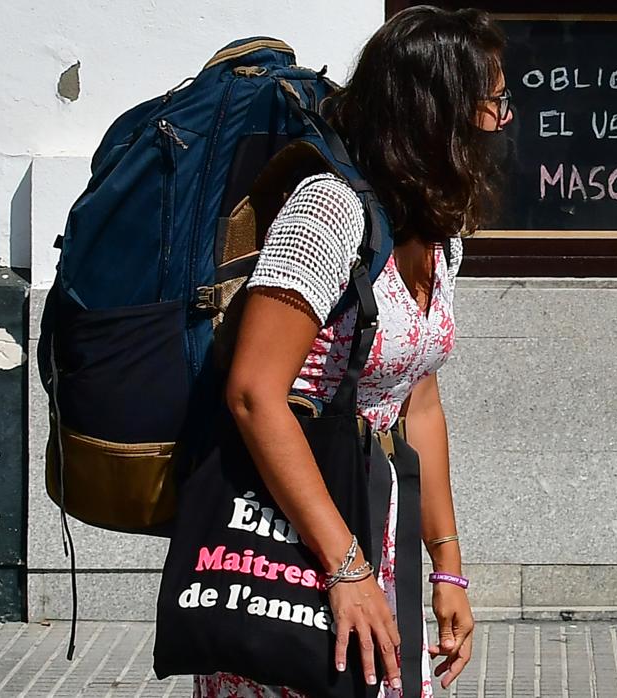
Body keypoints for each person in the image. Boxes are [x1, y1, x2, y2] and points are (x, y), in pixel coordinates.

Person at [193, 7, 512, 697]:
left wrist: (448, 570)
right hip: (291, 543)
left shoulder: (436, 230)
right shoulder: (326, 212)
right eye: (492, 102)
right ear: (438, 112)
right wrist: (345, 571)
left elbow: (417, 400)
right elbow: (253, 393)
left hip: (374, 531)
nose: (501, 122)